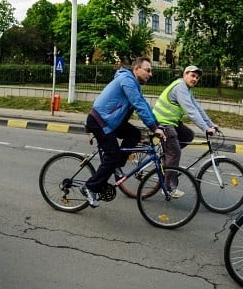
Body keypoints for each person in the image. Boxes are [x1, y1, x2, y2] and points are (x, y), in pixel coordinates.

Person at [82, 56, 165, 207]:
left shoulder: (134, 84)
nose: (150, 74)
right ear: (136, 69)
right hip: (100, 121)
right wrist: (153, 128)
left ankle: (116, 166)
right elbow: (138, 104)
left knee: (134, 134)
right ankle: (90, 187)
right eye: (148, 70)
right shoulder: (127, 81)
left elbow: (144, 105)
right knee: (112, 155)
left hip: (111, 121)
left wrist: (157, 124)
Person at [152, 65, 218, 196]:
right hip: (162, 121)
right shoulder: (180, 87)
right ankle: (168, 188)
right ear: (185, 75)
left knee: (188, 135)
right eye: (192, 75)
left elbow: (197, 108)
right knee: (175, 152)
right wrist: (205, 128)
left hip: (171, 122)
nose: (195, 79)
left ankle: (167, 155)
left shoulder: (187, 90)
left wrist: (211, 124)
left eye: (197, 77)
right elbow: (191, 111)